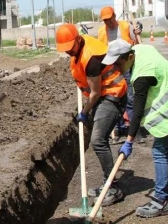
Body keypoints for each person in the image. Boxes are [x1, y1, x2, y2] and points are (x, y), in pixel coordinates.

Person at [102, 40, 168, 218]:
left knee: (159, 150)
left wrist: (129, 141)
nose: (116, 67)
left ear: (129, 57)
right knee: (167, 147)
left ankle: (161, 201)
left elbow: (136, 112)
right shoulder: (139, 49)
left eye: (118, 63)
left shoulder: (141, 76)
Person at [55, 23, 128, 206]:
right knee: (99, 139)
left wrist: (84, 112)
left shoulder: (92, 58)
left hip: (112, 95)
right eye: (65, 50)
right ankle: (107, 184)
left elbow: (95, 93)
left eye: (70, 48)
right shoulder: (79, 49)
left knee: (97, 140)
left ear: (78, 39)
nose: (68, 52)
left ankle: (113, 188)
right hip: (102, 96)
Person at [97, 6, 138, 143]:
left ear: (114, 16)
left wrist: (137, 33)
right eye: (105, 20)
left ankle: (131, 129)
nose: (107, 22)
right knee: (116, 96)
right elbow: (100, 50)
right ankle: (119, 127)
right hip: (113, 69)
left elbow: (136, 43)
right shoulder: (102, 31)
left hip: (127, 65)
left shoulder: (125, 26)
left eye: (109, 19)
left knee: (130, 97)